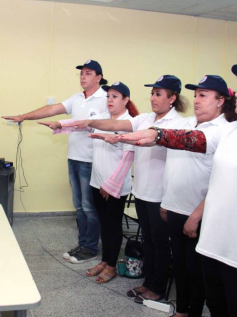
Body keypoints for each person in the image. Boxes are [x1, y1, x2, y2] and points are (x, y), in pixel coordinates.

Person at [115, 62, 237, 316]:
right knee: (216, 308)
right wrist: (155, 135)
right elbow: (192, 139)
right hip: (211, 249)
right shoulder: (232, 131)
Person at [71, 74, 187, 302]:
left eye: (159, 94)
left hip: (160, 195)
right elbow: (116, 124)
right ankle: (148, 282)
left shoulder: (179, 124)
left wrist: (121, 139)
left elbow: (146, 139)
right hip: (142, 191)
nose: (153, 98)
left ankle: (158, 286)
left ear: (172, 98)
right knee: (149, 242)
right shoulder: (145, 118)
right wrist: (90, 122)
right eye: (152, 93)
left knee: (160, 243)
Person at [3, 60, 109, 263]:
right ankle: (83, 243)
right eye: (81, 73)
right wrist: (23, 116)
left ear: (98, 77)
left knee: (89, 207)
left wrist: (62, 124)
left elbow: (103, 124)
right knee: (79, 206)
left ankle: (91, 247)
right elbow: (53, 110)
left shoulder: (106, 98)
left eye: (88, 73)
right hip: (74, 158)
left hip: (91, 160)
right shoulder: (78, 98)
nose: (83, 77)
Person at [41, 82, 139, 282]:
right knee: (104, 224)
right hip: (97, 182)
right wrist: (59, 125)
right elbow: (80, 123)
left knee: (113, 226)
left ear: (126, 100)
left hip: (115, 186)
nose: (110, 100)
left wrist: (110, 185)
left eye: (115, 97)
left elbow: (128, 158)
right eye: (108, 96)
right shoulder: (101, 119)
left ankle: (111, 265)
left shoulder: (130, 123)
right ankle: (104, 260)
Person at [160, 75, 237, 317]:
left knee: (197, 272)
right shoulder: (186, 124)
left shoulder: (226, 131)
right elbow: (173, 167)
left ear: (220, 101)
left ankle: (193, 312)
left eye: (203, 95)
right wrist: (165, 202)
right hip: (175, 207)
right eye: (195, 95)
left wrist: (196, 215)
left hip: (199, 213)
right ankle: (182, 310)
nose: (196, 100)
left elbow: (222, 181)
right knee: (181, 267)